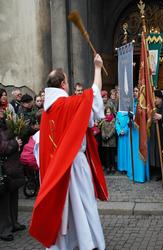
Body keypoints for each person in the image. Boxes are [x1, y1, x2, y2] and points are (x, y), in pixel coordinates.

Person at [29, 54, 108, 250]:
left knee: (63, 209)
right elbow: (95, 96)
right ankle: (87, 243)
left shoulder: (46, 112)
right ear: (63, 84)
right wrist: (98, 68)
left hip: (55, 170)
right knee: (82, 206)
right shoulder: (69, 104)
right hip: (75, 166)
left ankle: (66, 244)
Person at [0, 103, 25, 242]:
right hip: (4, 169)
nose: (3, 110)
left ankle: (14, 223)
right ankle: (4, 229)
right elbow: (2, 148)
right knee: (3, 201)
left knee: (13, 197)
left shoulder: (6, 123)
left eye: (3, 108)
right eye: (0, 109)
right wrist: (15, 143)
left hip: (12, 167)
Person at [127, 86, 150, 183]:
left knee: (140, 151)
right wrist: (130, 118)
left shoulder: (143, 104)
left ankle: (140, 175)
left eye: (136, 91)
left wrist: (135, 116)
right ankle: (132, 173)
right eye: (134, 91)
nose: (135, 93)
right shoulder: (131, 104)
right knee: (133, 153)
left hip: (140, 132)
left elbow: (144, 118)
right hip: (133, 131)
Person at [149, 89, 163, 180]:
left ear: (160, 98)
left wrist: (161, 116)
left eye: (156, 98)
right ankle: (159, 171)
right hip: (156, 134)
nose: (155, 100)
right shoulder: (154, 107)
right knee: (157, 152)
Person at [101, 106, 116, 174]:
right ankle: (108, 167)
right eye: (107, 112)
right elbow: (102, 129)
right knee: (106, 155)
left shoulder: (113, 120)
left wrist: (109, 136)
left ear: (111, 112)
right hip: (105, 140)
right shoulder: (103, 120)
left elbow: (113, 129)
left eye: (109, 112)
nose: (108, 113)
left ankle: (112, 166)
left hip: (111, 139)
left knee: (112, 154)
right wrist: (104, 136)